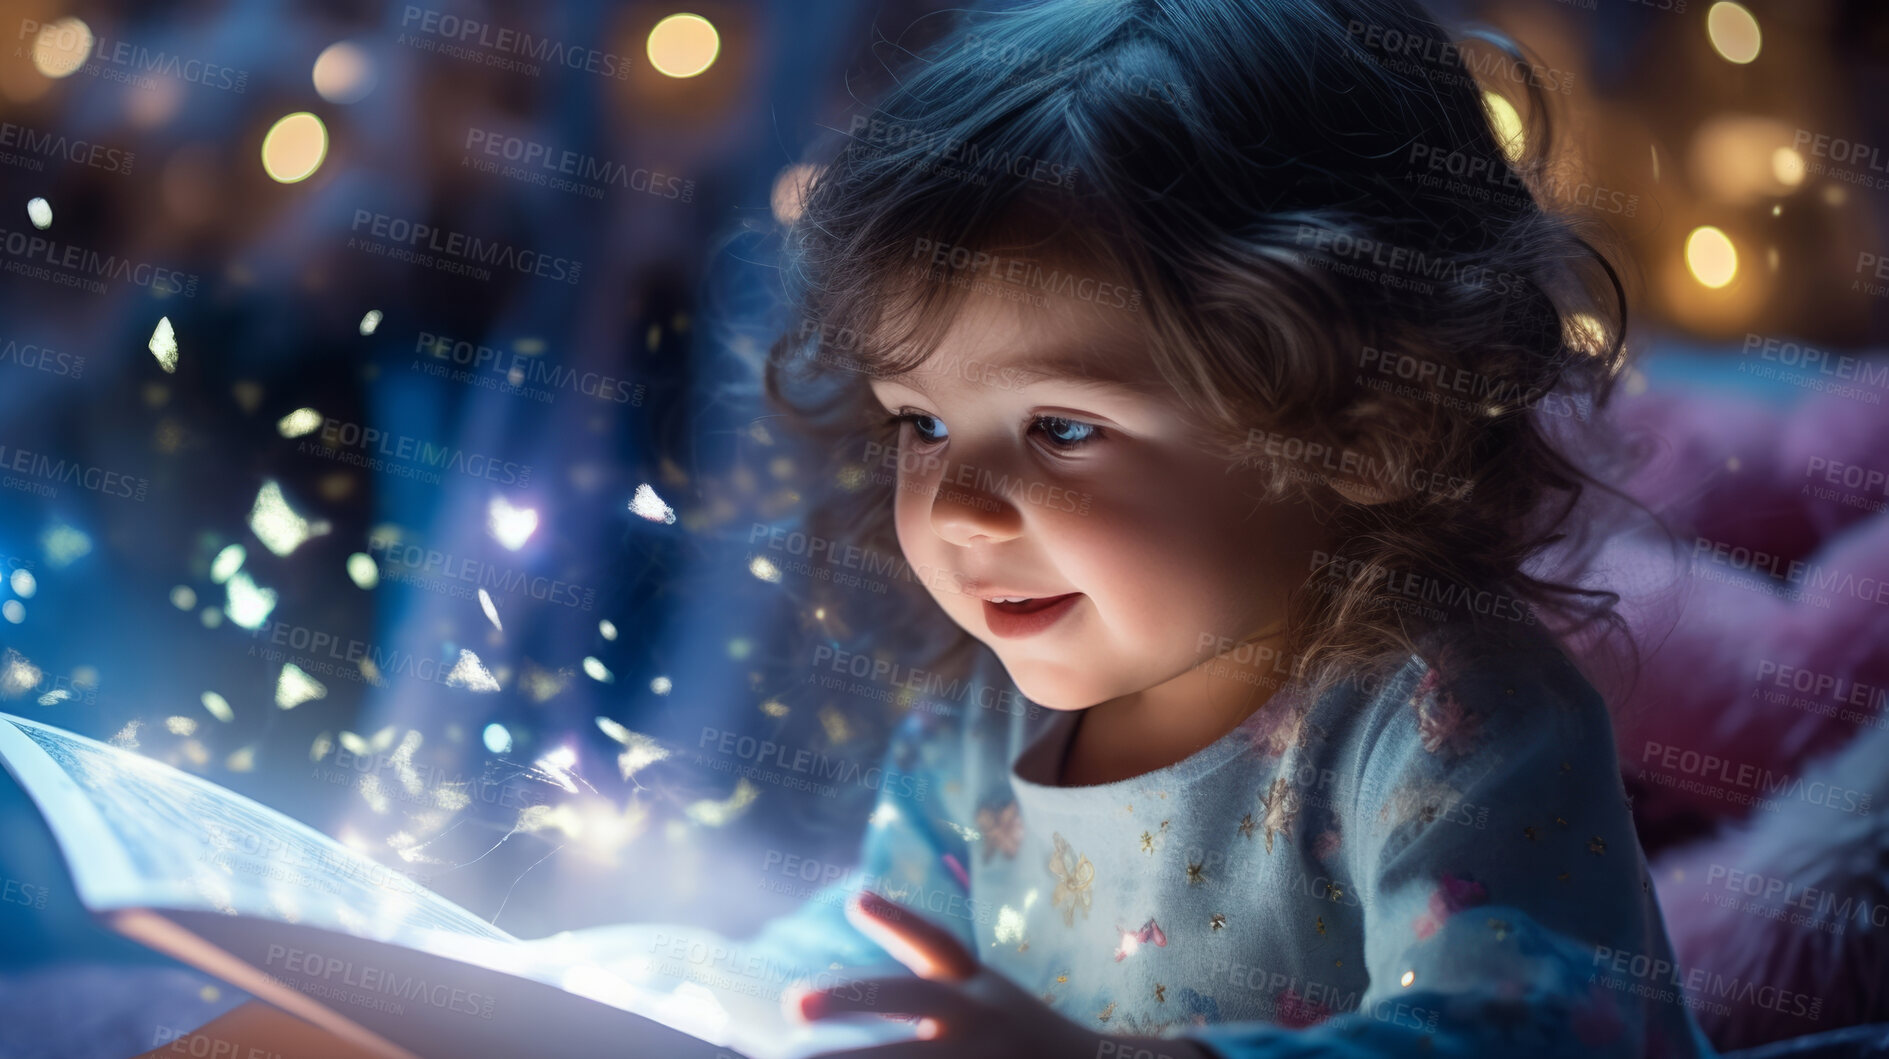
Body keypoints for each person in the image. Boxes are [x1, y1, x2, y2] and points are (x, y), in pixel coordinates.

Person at [147, 0, 1709, 1055]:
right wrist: (612, 991)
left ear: (1363, 424)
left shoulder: (1438, 715)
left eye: (1064, 428)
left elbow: (1536, 1030)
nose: (956, 507)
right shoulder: (989, 727)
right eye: (920, 422)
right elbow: (877, 953)